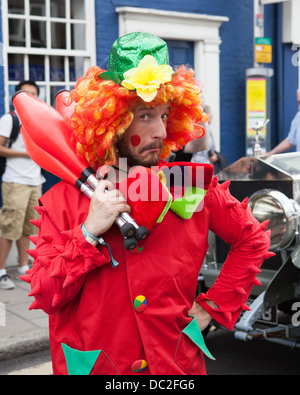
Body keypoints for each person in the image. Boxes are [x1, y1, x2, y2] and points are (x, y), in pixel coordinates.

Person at [19, 32, 271, 375]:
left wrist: (211, 308)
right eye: (146, 116)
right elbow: (47, 296)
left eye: (165, 116)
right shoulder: (65, 199)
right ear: (113, 122)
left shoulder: (189, 184)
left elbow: (252, 239)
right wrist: (89, 231)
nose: (162, 133)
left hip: (175, 367)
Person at [0, 81, 45, 290]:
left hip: (35, 181)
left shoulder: (38, 120)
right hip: (15, 181)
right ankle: (1, 272)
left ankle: (21, 266)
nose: (29, 97)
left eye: (33, 94)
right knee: (10, 228)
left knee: (29, 228)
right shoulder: (9, 119)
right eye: (24, 94)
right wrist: (27, 154)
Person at [191, 105, 228, 173]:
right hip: (196, 169)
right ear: (205, 115)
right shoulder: (196, 130)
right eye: (210, 113)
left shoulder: (208, 131)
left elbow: (211, 149)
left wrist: (215, 157)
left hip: (207, 168)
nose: (212, 116)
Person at [264, 90, 300, 157]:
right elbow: (290, 140)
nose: (299, 105)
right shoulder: (298, 117)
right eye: (298, 102)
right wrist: (270, 154)